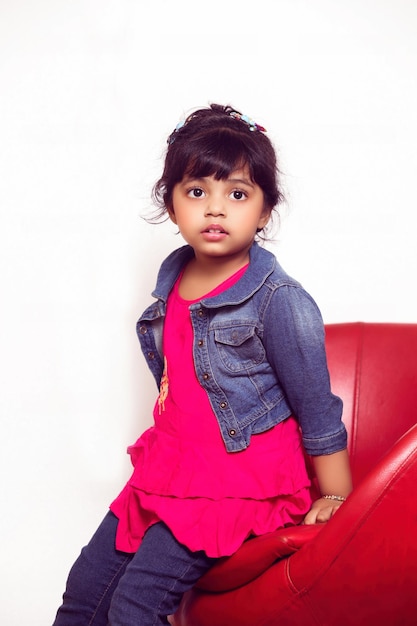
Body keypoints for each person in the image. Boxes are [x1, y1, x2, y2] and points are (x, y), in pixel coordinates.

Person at [52, 103, 352, 626]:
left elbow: (316, 405)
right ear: (171, 205)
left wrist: (336, 497)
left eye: (237, 195)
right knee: (84, 597)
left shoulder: (278, 299)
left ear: (264, 211)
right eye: (197, 193)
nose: (216, 210)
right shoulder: (171, 285)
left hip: (236, 484)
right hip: (169, 472)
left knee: (135, 609)